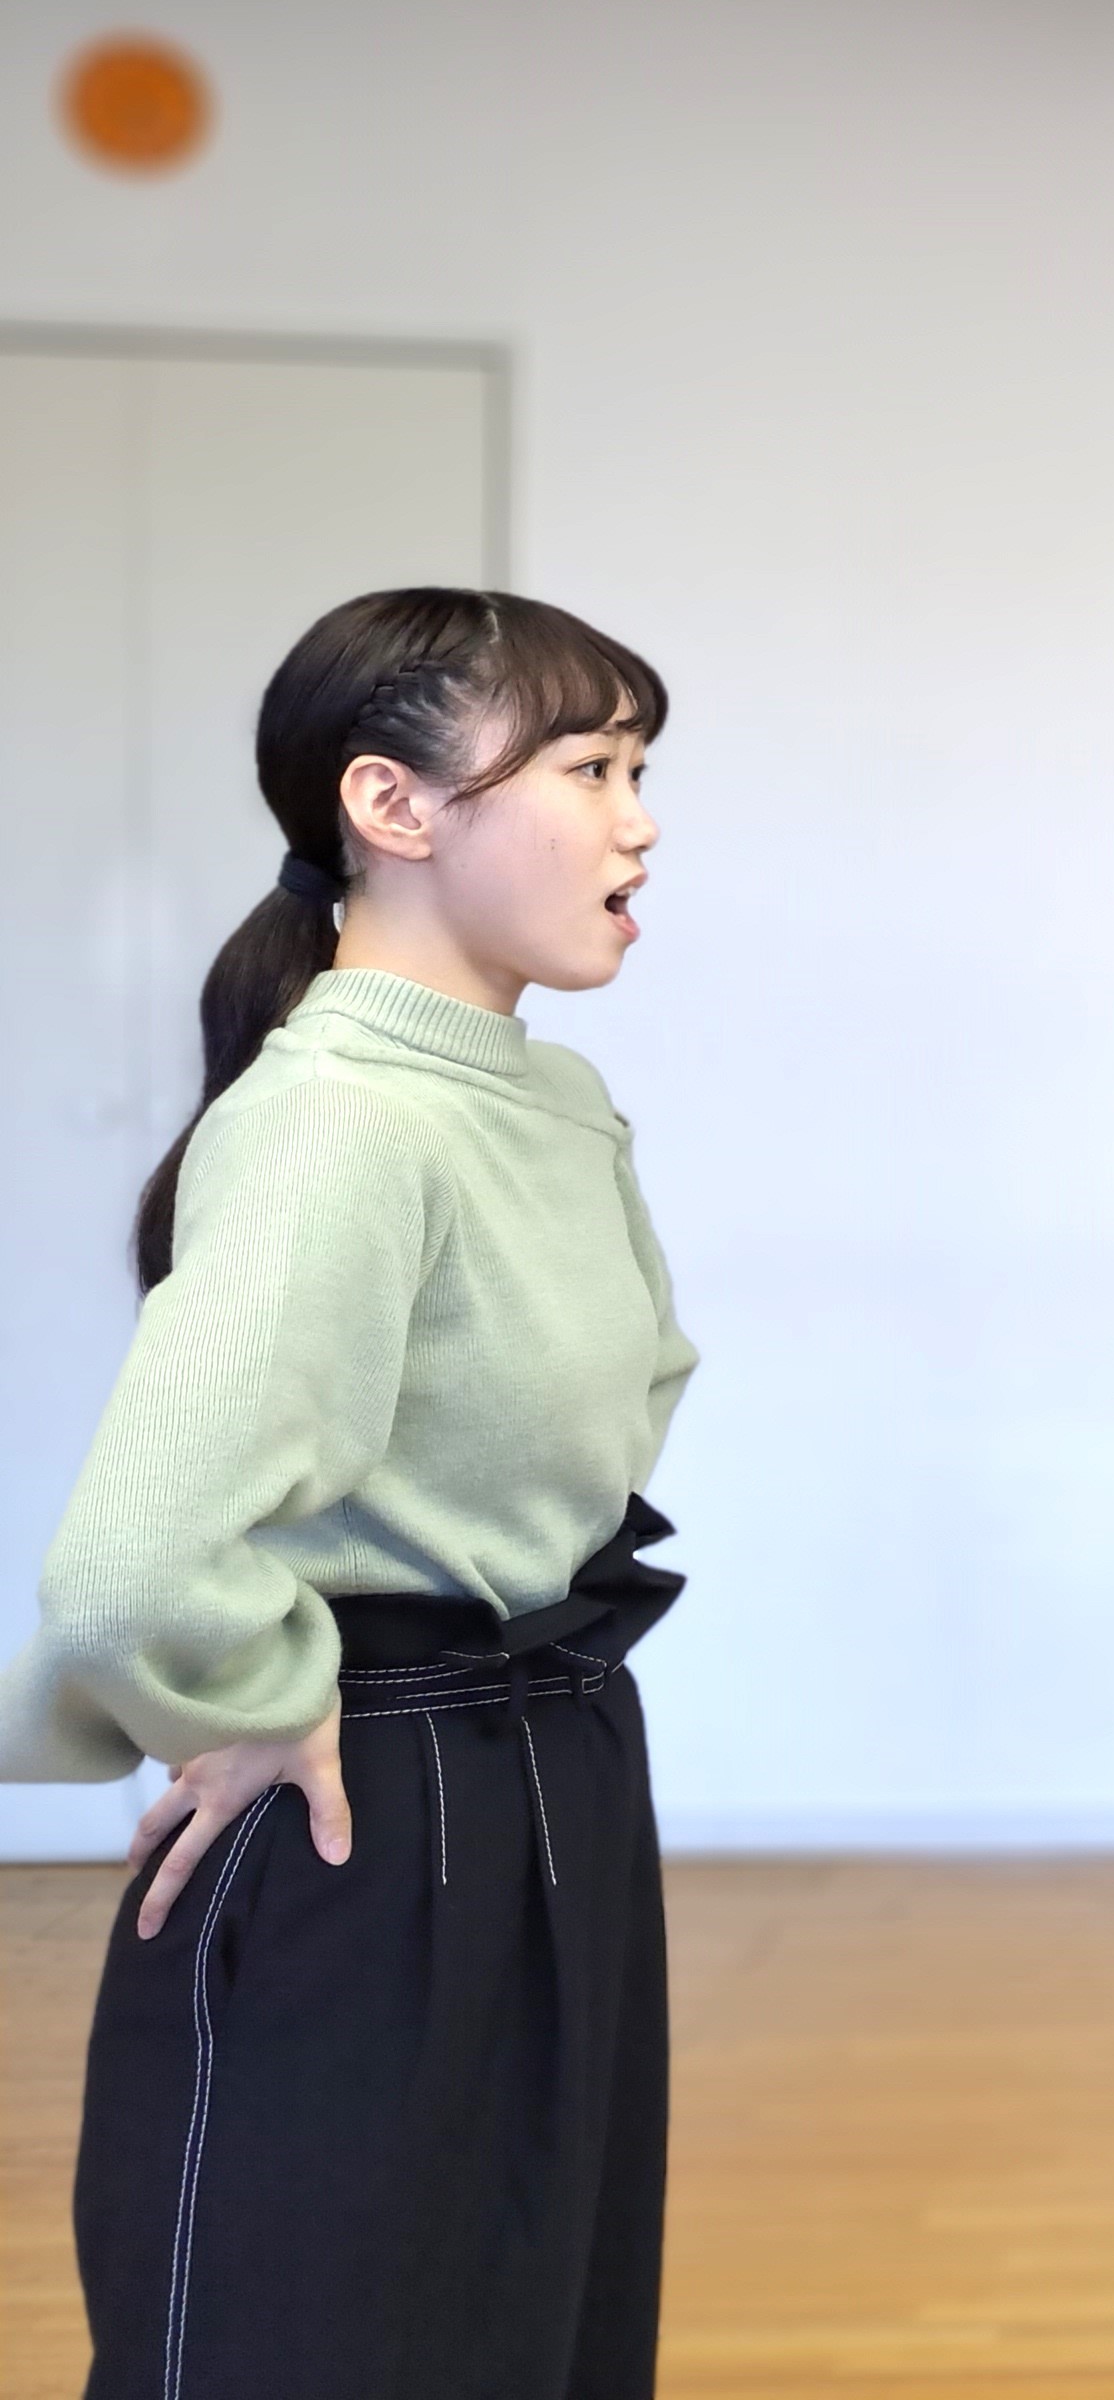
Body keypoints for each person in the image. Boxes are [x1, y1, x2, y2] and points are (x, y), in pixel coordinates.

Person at [0, 589, 693, 2399]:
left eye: (642, 770)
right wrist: (251, 1694)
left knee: (533, 2331)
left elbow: (618, 1413)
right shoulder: (340, 1122)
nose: (639, 823)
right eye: (590, 768)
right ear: (392, 806)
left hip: (552, 1771)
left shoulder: (550, 1101)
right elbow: (132, 1563)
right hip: (357, 1812)